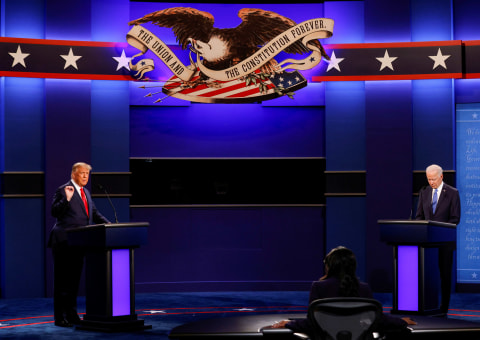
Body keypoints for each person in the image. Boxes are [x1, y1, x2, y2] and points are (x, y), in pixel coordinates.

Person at [271, 246, 415, 337]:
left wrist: (289, 323)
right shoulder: (364, 288)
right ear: (353, 266)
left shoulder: (318, 287)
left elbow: (312, 324)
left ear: (328, 267)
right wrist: (400, 322)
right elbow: (377, 321)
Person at [48, 162, 110, 327]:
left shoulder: (86, 193)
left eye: (87, 174)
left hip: (80, 243)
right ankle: (60, 317)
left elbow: (94, 214)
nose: (85, 176)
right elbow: (55, 212)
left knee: (74, 282)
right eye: (82, 173)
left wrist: (110, 225)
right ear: (73, 174)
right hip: (63, 242)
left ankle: (72, 314)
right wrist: (67, 199)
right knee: (62, 282)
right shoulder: (63, 190)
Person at [415, 164, 461, 314]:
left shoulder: (453, 193)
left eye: (434, 179)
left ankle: (443, 308)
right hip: (426, 244)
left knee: (445, 275)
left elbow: (455, 218)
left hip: (445, 243)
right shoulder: (424, 192)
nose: (431, 182)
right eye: (429, 179)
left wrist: (438, 229)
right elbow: (419, 216)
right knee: (426, 274)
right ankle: (426, 305)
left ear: (441, 177)